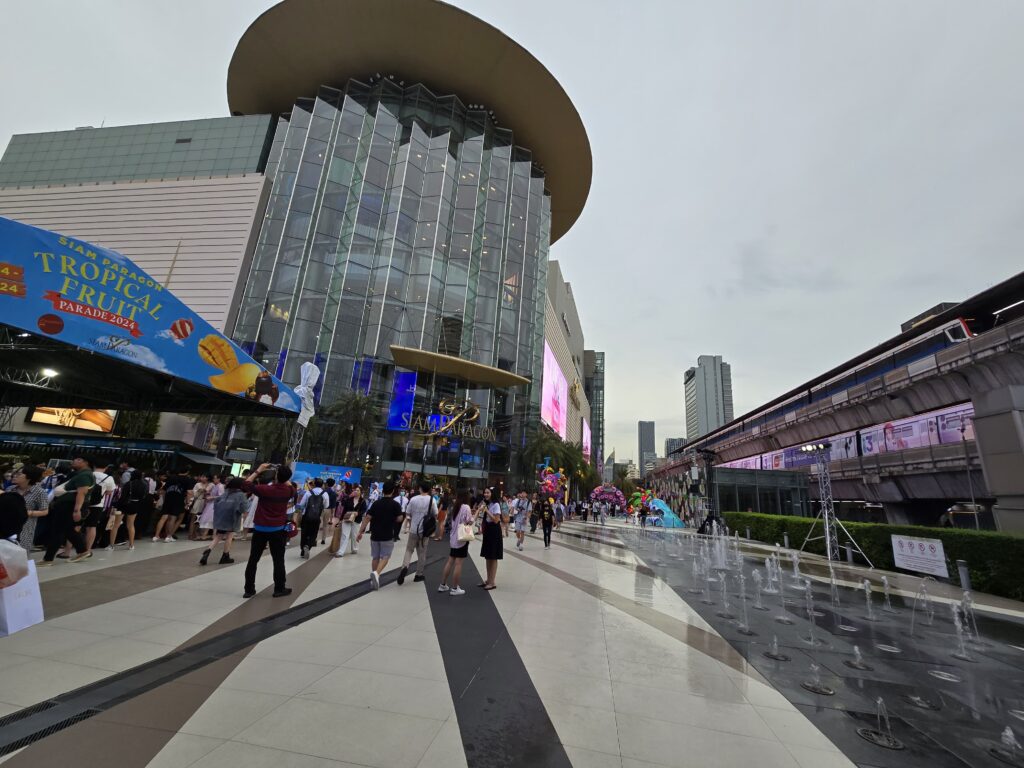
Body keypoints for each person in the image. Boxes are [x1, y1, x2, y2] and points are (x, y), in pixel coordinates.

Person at [241, 463, 295, 598]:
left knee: (253, 559)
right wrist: (282, 473)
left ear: (276, 476)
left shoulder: (264, 489)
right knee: (278, 560)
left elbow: (246, 484)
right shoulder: (289, 491)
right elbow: (290, 485)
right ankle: (279, 588)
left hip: (260, 529)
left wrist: (258, 470)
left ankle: (249, 589)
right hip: (277, 530)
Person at [41, 455, 95, 564]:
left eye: (78, 459)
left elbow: (82, 492)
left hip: (69, 506)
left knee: (60, 530)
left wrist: (77, 510)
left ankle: (48, 559)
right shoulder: (81, 474)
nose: (74, 461)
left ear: (86, 463)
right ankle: (81, 551)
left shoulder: (84, 475)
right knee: (65, 530)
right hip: (67, 505)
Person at [356, 481, 404, 590]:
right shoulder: (395, 504)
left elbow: (367, 518)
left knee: (375, 557)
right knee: (386, 556)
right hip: (387, 534)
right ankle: (377, 574)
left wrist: (360, 532)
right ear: (392, 491)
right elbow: (400, 518)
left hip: (375, 534)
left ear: (383, 490)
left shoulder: (376, 503)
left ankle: (374, 579)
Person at [200, 478, 247, 565]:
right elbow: (243, 508)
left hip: (221, 516)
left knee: (219, 536)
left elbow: (217, 501)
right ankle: (225, 555)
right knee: (229, 536)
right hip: (232, 517)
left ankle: (208, 550)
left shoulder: (226, 492)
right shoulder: (241, 495)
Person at [398, 481, 435, 585]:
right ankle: (418, 574)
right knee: (422, 553)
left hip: (413, 529)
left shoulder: (413, 499)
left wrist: (412, 520)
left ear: (420, 488)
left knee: (409, 550)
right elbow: (435, 513)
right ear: (428, 489)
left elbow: (408, 513)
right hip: (424, 531)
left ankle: (404, 567)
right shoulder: (431, 500)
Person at [438, 488, 473, 596]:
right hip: (461, 538)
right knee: (458, 563)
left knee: (450, 561)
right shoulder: (466, 507)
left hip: (453, 537)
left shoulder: (455, 507)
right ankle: (455, 588)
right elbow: (469, 521)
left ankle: (442, 585)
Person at [81, 463, 117, 557]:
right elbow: (109, 493)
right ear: (105, 467)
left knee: (76, 526)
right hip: (97, 505)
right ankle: (88, 550)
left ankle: (68, 549)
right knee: (92, 527)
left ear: (94, 466)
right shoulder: (109, 478)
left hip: (82, 502)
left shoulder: (87, 474)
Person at [13, 465, 48, 554]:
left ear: (29, 477)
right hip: (7, 527)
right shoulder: (11, 490)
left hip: (25, 528)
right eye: (15, 473)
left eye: (19, 474)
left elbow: (44, 511)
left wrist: (28, 513)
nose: (15, 475)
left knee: (21, 555)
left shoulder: (39, 492)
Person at [154, 470, 189, 542]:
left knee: (163, 518)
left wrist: (164, 500)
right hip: (177, 501)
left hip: (167, 501)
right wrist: (187, 503)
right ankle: (168, 536)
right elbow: (188, 492)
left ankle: (156, 536)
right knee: (172, 518)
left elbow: (162, 491)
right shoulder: (185, 480)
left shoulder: (170, 480)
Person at [478, 486, 502, 590]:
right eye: (485, 492)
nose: (486, 494)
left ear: (492, 493)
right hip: (488, 531)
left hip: (494, 531)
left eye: (488, 493)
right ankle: (488, 580)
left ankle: (492, 582)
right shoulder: (487, 503)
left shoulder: (496, 504)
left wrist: (487, 510)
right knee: (488, 556)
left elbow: (496, 520)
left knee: (493, 557)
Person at [120, 470, 149, 550]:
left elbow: (123, 496)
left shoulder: (128, 484)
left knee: (116, 524)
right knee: (131, 525)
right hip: (136, 504)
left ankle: (112, 544)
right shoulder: (144, 485)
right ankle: (131, 544)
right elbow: (144, 496)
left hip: (125, 504)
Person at [299, 478, 327, 559]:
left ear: (314, 484)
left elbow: (301, 504)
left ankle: (302, 550)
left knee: (304, 533)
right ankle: (308, 545)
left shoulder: (308, 492)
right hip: (316, 517)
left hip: (306, 516)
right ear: (322, 485)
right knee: (313, 533)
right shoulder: (324, 494)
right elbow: (326, 505)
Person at [336, 484, 364, 557]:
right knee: (345, 535)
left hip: (356, 520)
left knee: (354, 535)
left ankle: (354, 548)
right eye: (355, 490)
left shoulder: (362, 501)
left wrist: (358, 513)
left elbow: (364, 510)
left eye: (358, 490)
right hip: (347, 519)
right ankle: (341, 552)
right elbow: (343, 507)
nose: (356, 491)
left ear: (361, 492)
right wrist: (341, 519)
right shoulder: (349, 499)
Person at [198, 474, 223, 540]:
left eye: (215, 478)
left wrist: (212, 497)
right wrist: (209, 494)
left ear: (219, 479)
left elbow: (221, 496)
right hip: (211, 503)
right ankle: (210, 535)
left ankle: (207, 535)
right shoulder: (215, 486)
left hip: (215, 504)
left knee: (210, 519)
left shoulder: (220, 486)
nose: (213, 480)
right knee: (210, 519)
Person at [189, 473, 211, 540]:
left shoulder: (210, 485)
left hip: (206, 502)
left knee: (199, 519)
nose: (202, 478)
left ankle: (196, 532)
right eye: (202, 477)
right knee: (194, 518)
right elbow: (193, 494)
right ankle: (190, 534)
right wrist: (199, 491)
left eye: (204, 477)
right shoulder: (197, 484)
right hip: (198, 501)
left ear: (207, 478)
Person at [320, 477, 337, 545]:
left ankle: (314, 539)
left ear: (326, 483)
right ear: (333, 485)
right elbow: (333, 505)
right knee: (325, 525)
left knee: (318, 524)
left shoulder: (322, 491)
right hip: (328, 510)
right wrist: (332, 514)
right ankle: (323, 539)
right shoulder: (333, 493)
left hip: (321, 509)